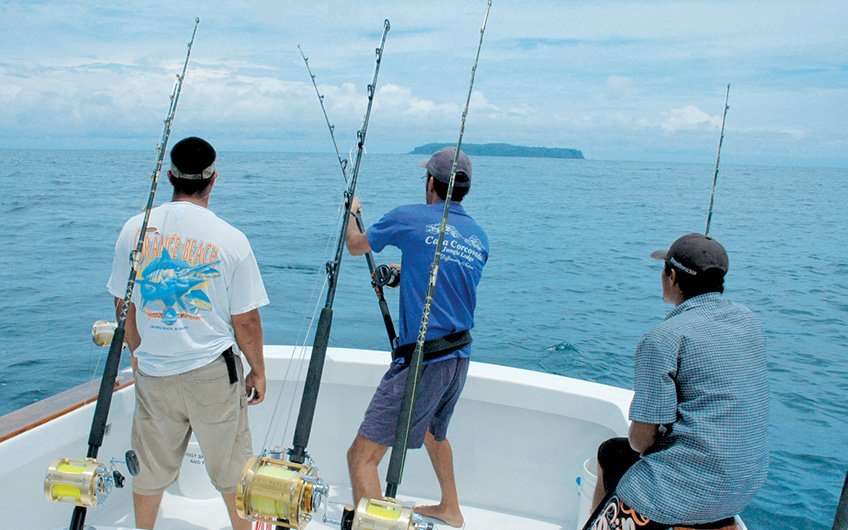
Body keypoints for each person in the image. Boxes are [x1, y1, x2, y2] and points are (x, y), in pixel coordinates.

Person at [107, 137, 269, 530]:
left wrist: (137, 349)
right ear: (213, 179)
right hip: (212, 374)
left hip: (153, 373)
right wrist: (258, 371)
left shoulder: (134, 228)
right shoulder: (232, 238)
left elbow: (122, 304)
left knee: (149, 470)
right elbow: (245, 321)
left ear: (169, 177)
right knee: (232, 471)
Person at [344, 147, 489, 527]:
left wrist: (352, 213)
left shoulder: (409, 217)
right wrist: (400, 271)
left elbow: (356, 247)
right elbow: (442, 275)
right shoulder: (478, 237)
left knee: (361, 457)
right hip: (458, 356)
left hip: (423, 361)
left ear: (430, 183)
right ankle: (451, 508)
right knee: (430, 431)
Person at [584, 233, 768, 530]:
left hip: (682, 494)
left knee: (612, 453)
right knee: (616, 453)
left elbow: (641, 441)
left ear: (670, 276)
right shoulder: (749, 321)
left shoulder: (663, 338)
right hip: (742, 486)